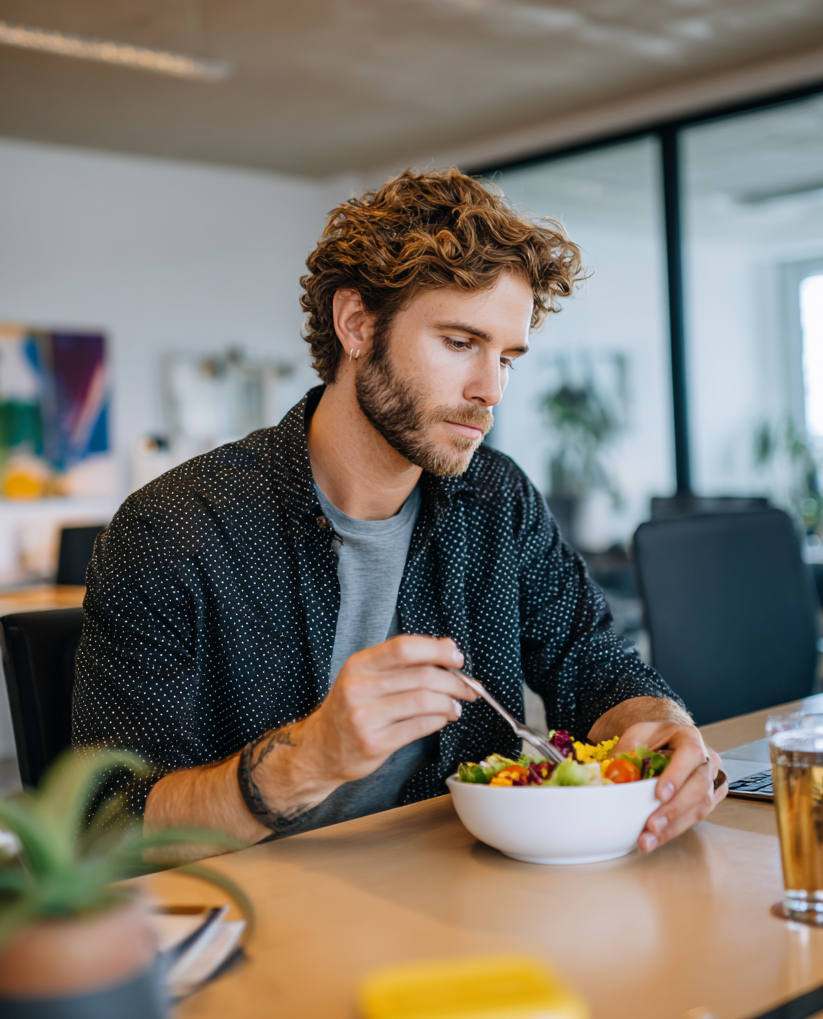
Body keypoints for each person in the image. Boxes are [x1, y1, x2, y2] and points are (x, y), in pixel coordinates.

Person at [73, 168, 727, 851]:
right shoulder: (174, 529)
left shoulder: (497, 500)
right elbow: (113, 823)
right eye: (459, 343)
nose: (490, 390)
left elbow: (592, 660)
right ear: (356, 324)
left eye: (508, 357)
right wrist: (307, 759)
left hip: (454, 884)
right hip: (257, 914)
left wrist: (663, 724)